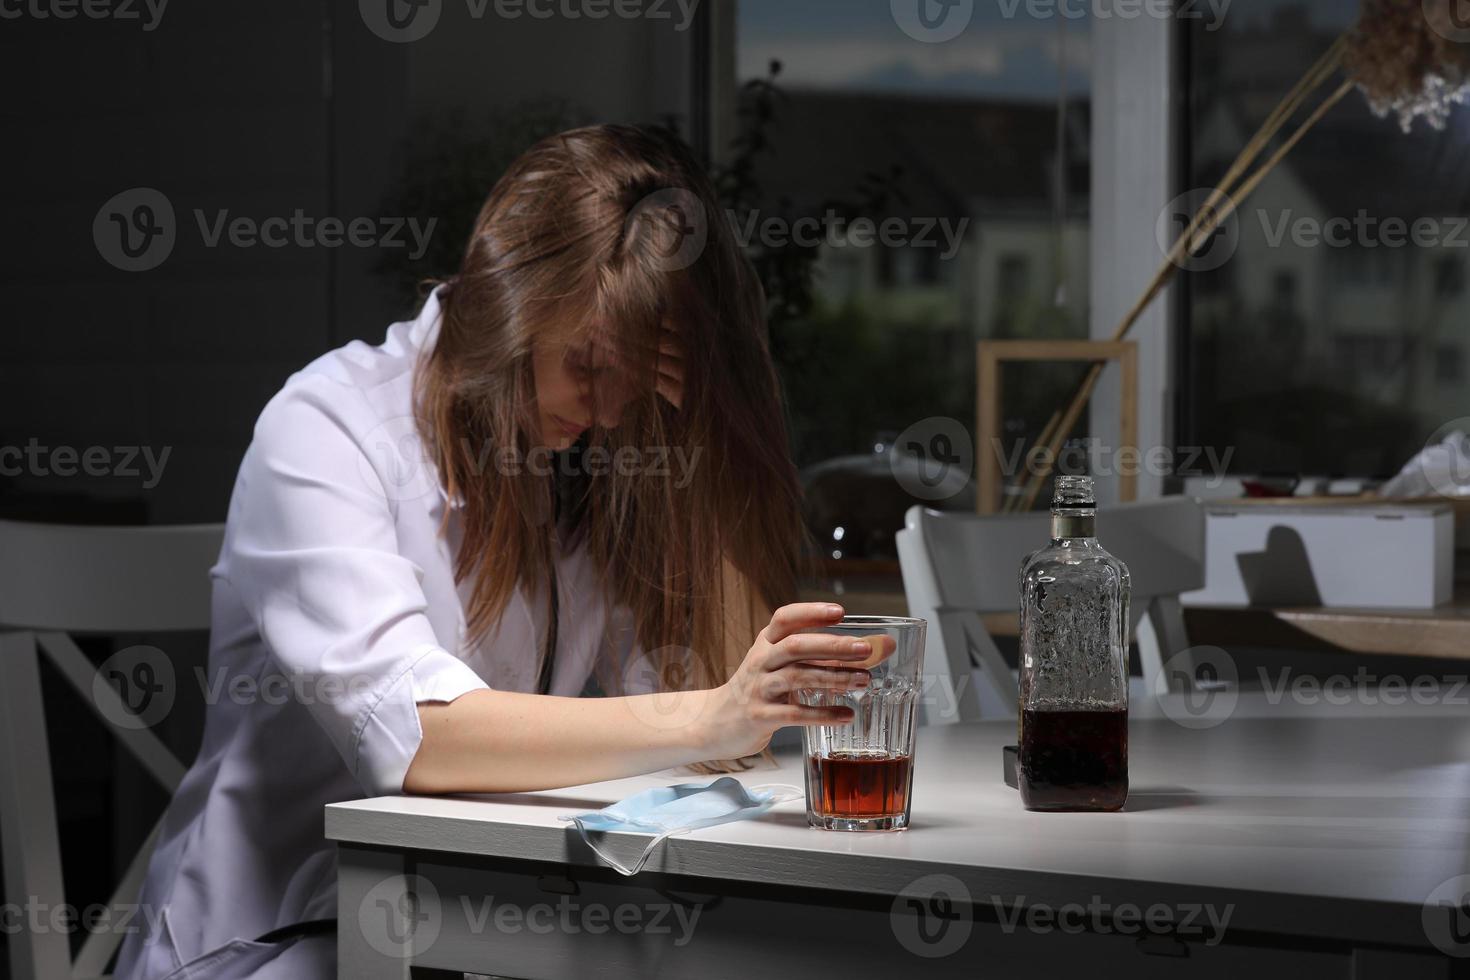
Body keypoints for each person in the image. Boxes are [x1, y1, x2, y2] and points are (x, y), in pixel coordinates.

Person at [112, 124, 871, 980]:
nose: (613, 406)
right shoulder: (329, 426)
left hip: (488, 934)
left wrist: (707, 444)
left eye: (637, 372)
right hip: (285, 935)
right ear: (512, 300)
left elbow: (717, 745)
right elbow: (417, 740)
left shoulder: (592, 453)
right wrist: (714, 712)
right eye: (589, 361)